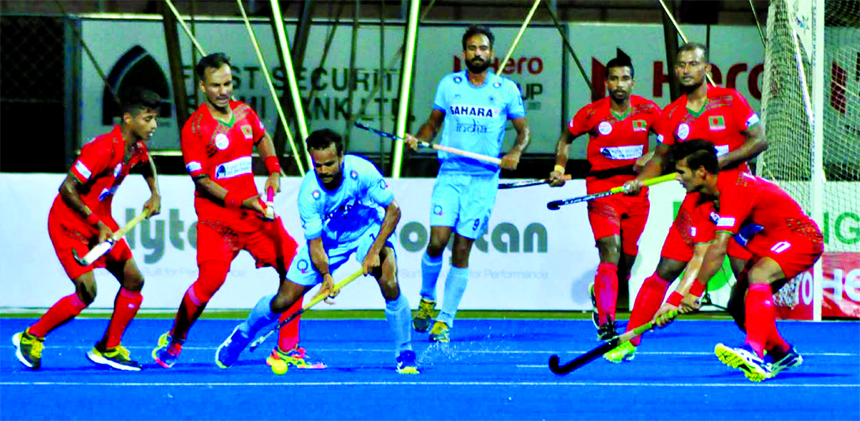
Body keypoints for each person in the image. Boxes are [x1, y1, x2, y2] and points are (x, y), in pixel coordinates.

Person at [152, 53, 319, 370]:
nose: (224, 91)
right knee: (209, 283)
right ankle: (176, 338)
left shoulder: (244, 112)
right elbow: (202, 183)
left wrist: (272, 168)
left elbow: (262, 137)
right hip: (218, 222)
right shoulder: (195, 128)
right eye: (216, 85)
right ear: (202, 87)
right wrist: (244, 202)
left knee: (297, 269)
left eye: (227, 83)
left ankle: (287, 349)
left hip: (255, 218)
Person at [607, 42, 769, 362]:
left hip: (736, 200)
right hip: (696, 204)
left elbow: (759, 140)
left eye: (693, 64)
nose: (685, 70)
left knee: (746, 279)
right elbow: (661, 157)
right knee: (664, 270)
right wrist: (640, 182)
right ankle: (629, 341)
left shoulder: (730, 100)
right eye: (680, 65)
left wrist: (718, 163)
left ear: (706, 68)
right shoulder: (672, 114)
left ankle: (767, 348)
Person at [216, 129, 418, 374]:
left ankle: (404, 351)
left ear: (341, 157)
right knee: (283, 300)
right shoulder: (309, 193)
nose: (323, 171)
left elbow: (393, 211)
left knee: (388, 279)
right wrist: (326, 277)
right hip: (330, 241)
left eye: (329, 164)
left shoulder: (361, 171)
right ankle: (244, 332)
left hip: (368, 229)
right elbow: (315, 244)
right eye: (318, 165)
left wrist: (375, 250)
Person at [12, 88, 162, 371]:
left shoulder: (136, 147)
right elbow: (67, 188)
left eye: (155, 119)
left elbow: (146, 163)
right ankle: (32, 336)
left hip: (102, 225)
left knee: (133, 281)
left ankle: (108, 348)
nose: (154, 125)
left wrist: (155, 193)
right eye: (148, 118)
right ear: (128, 119)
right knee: (87, 291)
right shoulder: (103, 149)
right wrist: (97, 224)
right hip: (69, 225)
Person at [654, 139, 821, 382]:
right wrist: (675, 300)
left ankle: (754, 352)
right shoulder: (700, 200)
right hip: (766, 244)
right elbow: (703, 252)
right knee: (737, 306)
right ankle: (782, 353)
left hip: (800, 236)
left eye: (681, 172)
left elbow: (720, 247)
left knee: (758, 275)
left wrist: (697, 291)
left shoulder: (734, 187)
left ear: (701, 172)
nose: (677, 178)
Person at [405, 24, 531, 342]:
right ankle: (425, 299)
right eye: (472, 48)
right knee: (436, 241)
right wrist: (419, 139)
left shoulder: (506, 90)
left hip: (483, 180)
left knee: (461, 250)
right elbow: (432, 124)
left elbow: (523, 131)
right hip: (451, 175)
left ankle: (445, 320)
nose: (478, 53)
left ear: (492, 54)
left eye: (483, 48)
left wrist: (515, 152)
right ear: (464, 54)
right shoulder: (450, 85)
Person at [549, 54, 662, 340]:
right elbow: (566, 138)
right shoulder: (591, 113)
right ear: (606, 83)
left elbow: (670, 143)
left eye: (625, 79)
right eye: (613, 79)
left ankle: (599, 293)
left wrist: (651, 158)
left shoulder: (649, 111)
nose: (619, 84)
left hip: (637, 193)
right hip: (602, 192)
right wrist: (559, 168)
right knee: (609, 251)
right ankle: (607, 324)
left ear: (633, 82)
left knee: (626, 261)